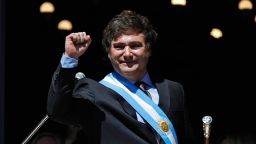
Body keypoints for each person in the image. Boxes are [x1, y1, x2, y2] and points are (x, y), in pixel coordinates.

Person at [47, 10, 196, 144]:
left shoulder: (174, 89)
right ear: (109, 53)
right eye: (119, 47)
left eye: (135, 45)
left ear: (148, 50)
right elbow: (57, 111)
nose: (127, 53)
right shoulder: (93, 92)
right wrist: (70, 58)